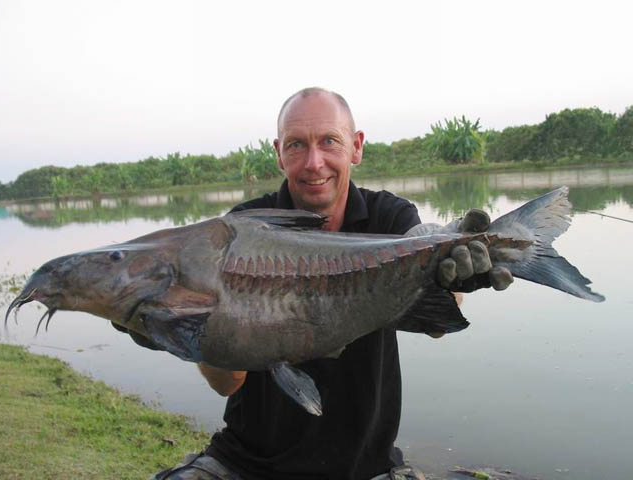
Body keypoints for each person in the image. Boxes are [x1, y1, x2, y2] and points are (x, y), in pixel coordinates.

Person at [149, 87, 512, 480]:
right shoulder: (242, 229)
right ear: (278, 153)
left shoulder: (386, 218)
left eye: (329, 142)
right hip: (245, 466)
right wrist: (188, 325)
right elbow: (227, 384)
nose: (313, 162)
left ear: (356, 147)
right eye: (296, 145)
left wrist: (451, 263)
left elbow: (441, 317)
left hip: (365, 468)